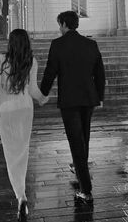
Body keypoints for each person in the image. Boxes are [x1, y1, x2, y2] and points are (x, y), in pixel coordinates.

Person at [40, 11, 105, 204]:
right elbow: (100, 73)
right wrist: (99, 97)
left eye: (59, 24)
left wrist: (42, 93)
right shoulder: (91, 44)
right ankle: (80, 167)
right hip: (89, 98)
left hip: (70, 101)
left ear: (63, 24)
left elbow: (50, 71)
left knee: (76, 141)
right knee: (84, 136)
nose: (58, 28)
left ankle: (86, 190)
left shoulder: (58, 45)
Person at [0, 29, 48, 221]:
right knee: (23, 150)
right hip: (25, 110)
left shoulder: (0, 59)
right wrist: (43, 99)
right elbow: (33, 89)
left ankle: (21, 196)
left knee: (10, 154)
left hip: (7, 111)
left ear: (10, 42)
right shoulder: (32, 61)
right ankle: (21, 195)